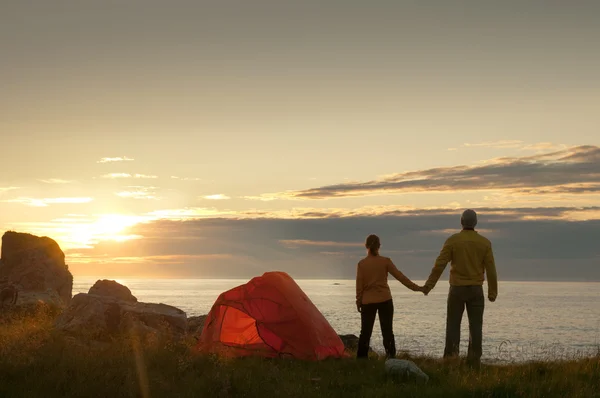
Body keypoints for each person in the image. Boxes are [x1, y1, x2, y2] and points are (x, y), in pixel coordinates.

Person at [422, 209, 498, 368]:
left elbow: (439, 265)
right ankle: (474, 362)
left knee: (453, 326)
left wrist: (429, 285)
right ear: (475, 223)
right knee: (476, 327)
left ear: (461, 222)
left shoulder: (452, 241)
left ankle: (451, 360)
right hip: (476, 289)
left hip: (456, 289)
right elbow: (491, 269)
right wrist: (492, 292)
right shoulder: (485, 243)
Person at [356, 234, 424, 359]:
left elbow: (359, 286)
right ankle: (391, 358)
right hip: (385, 300)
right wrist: (416, 288)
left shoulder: (362, 264)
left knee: (365, 333)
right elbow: (400, 276)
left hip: (367, 302)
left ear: (366, 246)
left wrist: (358, 301)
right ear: (379, 246)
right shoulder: (385, 261)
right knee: (387, 332)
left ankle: (361, 360)